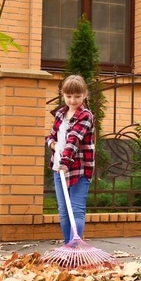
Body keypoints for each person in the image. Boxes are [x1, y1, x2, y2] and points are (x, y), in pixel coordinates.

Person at [45, 75, 95, 244]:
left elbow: (74, 139)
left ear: (85, 95)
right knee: (63, 211)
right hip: (58, 168)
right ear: (63, 95)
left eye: (77, 96)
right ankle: (68, 246)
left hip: (79, 169)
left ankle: (74, 246)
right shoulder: (60, 113)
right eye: (68, 96)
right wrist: (52, 145)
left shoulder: (86, 116)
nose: (73, 100)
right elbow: (51, 137)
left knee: (76, 210)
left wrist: (65, 161)